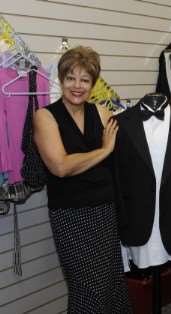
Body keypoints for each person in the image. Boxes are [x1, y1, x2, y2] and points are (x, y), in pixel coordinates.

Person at [33, 46, 131, 313]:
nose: (77, 86)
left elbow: (130, 136)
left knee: (111, 283)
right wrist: (103, 150)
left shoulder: (100, 112)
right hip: (71, 215)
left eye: (85, 80)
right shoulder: (45, 116)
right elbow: (61, 166)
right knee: (88, 289)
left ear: (93, 84)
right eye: (71, 78)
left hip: (104, 211)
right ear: (61, 79)